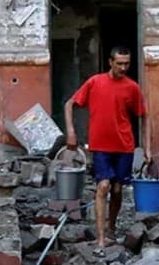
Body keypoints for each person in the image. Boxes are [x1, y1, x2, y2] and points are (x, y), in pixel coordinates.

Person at [64, 45, 149, 249]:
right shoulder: (95, 82)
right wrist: (71, 132)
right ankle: (100, 238)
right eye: (119, 63)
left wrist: (148, 147)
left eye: (126, 64)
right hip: (100, 145)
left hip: (124, 145)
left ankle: (112, 228)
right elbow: (69, 104)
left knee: (118, 189)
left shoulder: (132, 87)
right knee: (103, 186)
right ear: (110, 62)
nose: (123, 67)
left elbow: (144, 115)